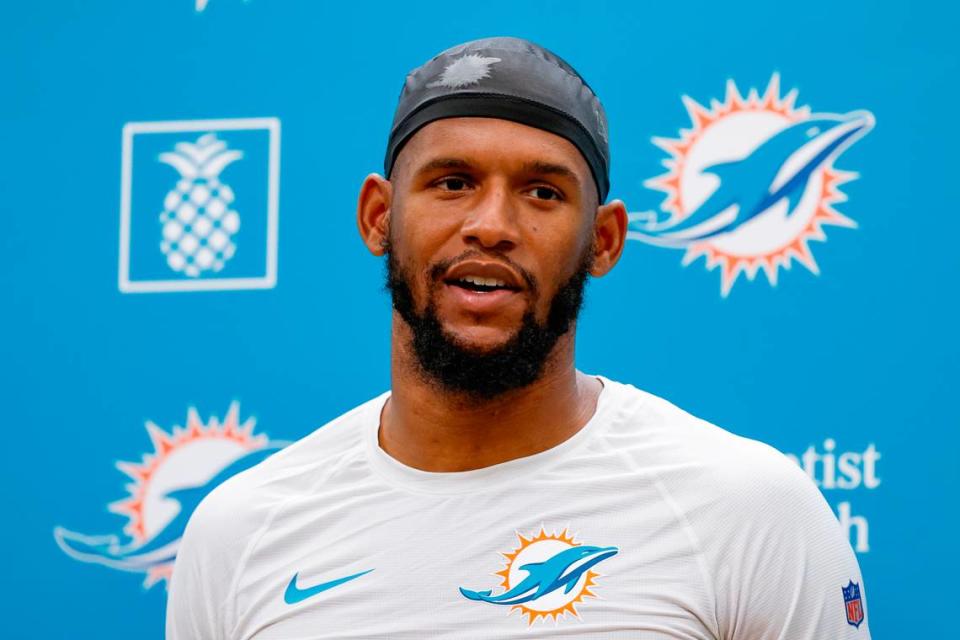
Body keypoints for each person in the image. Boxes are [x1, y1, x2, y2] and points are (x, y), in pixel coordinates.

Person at [167, 37, 871, 639]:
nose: (492, 225)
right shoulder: (240, 533)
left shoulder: (745, 508)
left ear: (603, 240)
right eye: (452, 182)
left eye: (542, 193)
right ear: (380, 216)